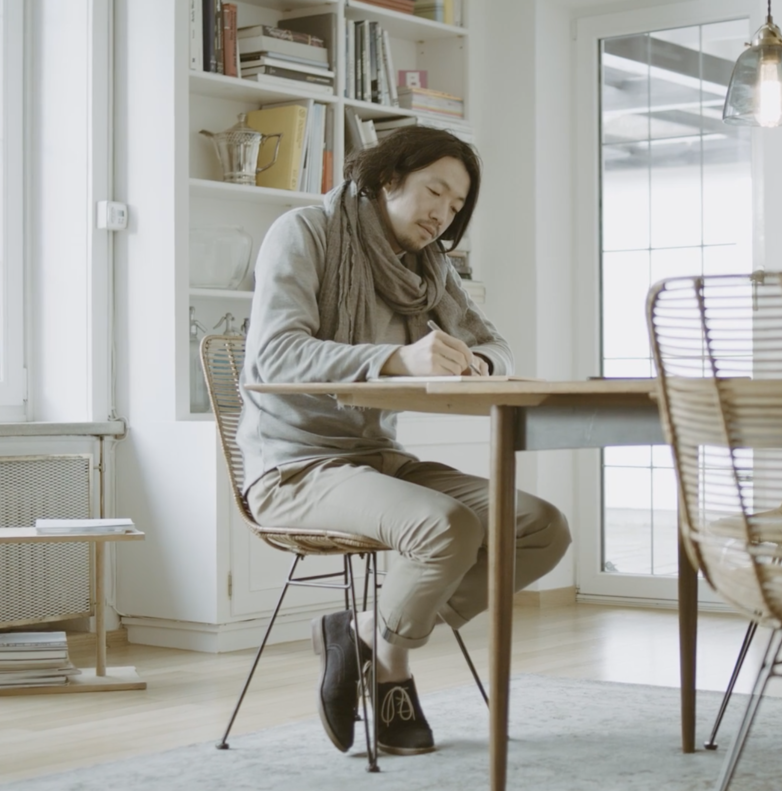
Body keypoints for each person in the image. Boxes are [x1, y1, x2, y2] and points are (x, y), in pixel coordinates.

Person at [236, 127, 571, 757]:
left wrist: (476, 363)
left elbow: (497, 345)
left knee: (540, 526)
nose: (443, 214)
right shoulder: (304, 233)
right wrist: (397, 359)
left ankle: (365, 634)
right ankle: (393, 675)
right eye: (434, 192)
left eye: (456, 206)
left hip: (378, 462)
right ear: (388, 179)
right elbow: (274, 354)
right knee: (446, 526)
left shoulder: (428, 268)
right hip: (294, 467)